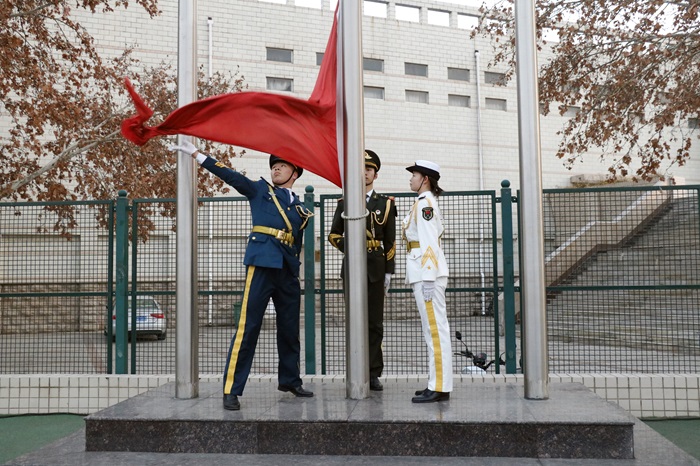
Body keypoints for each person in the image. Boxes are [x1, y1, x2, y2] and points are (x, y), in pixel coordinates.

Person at [169, 140, 314, 411]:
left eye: (282, 166)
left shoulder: (300, 209)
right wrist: (198, 155)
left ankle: (290, 380)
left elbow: (296, 243)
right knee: (248, 328)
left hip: (287, 271)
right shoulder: (260, 191)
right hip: (262, 264)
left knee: (290, 329)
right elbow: (231, 176)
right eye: (274, 166)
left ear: (295, 173)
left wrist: (294, 269)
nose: (276, 169)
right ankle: (231, 389)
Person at [328, 150, 397, 391]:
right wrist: (353, 245)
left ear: (375, 175)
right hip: (351, 267)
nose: (365, 173)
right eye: (361, 169)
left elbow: (390, 242)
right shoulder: (345, 202)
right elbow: (334, 235)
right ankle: (354, 369)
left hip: (376, 268)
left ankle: (373, 372)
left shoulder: (385, 204)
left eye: (369, 169)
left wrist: (389, 272)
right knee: (353, 322)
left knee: (374, 323)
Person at [402, 160, 452, 403]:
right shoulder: (423, 202)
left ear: (425, 179)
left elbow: (430, 241)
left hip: (426, 274)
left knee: (435, 330)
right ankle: (436, 383)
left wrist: (429, 277)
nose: (410, 179)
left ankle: (439, 386)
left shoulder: (425, 204)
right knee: (432, 330)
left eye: (414, 175)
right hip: (422, 272)